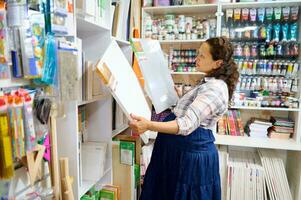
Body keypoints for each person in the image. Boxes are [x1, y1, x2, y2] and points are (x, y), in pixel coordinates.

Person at [129, 37, 239, 200]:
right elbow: (196, 112)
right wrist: (181, 97)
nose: (196, 59)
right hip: (179, 150)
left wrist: (149, 125)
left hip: (189, 154)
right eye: (197, 54)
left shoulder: (215, 89)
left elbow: (187, 124)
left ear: (217, 63)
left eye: (202, 56)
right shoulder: (209, 82)